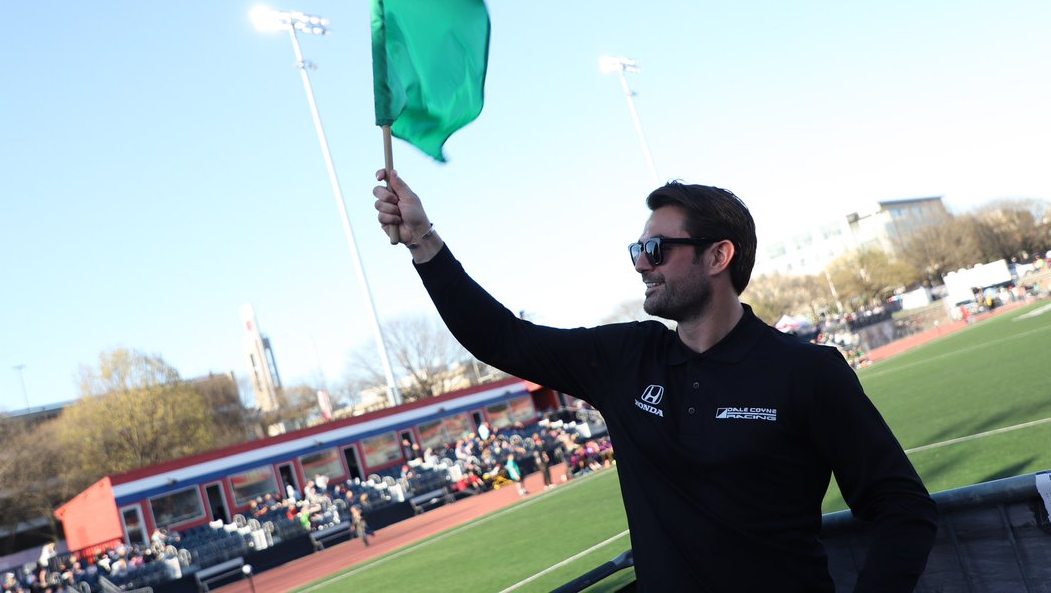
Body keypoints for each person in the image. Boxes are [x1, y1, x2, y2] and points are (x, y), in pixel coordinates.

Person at [373, 170, 937, 593]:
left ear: (718, 256)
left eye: (655, 250)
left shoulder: (806, 372)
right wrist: (424, 242)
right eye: (638, 250)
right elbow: (502, 338)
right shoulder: (625, 357)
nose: (641, 264)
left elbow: (902, 507)